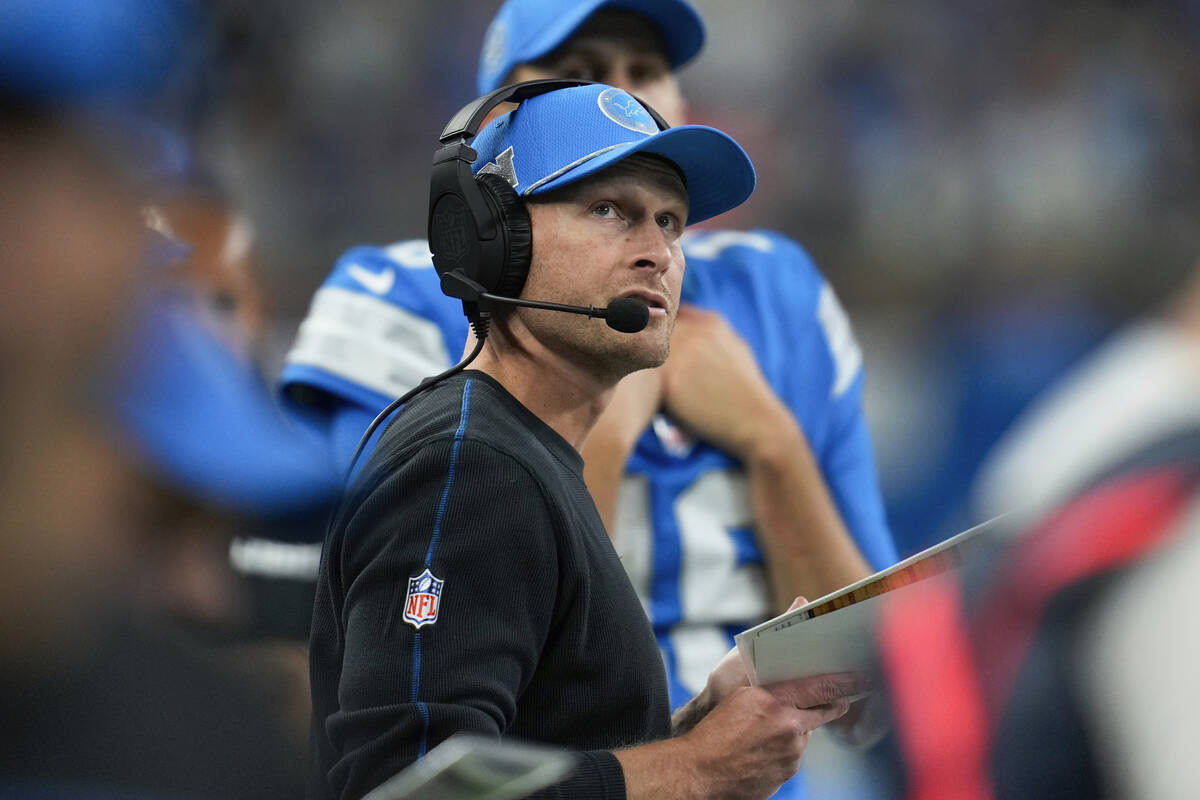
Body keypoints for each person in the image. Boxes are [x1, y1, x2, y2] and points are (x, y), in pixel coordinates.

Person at [282, 7, 898, 792]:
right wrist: (697, 768)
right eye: (608, 210)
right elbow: (408, 788)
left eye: (670, 221)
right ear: (491, 239)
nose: (657, 251)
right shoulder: (465, 467)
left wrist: (691, 734)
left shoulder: (526, 453)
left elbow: (544, 751)